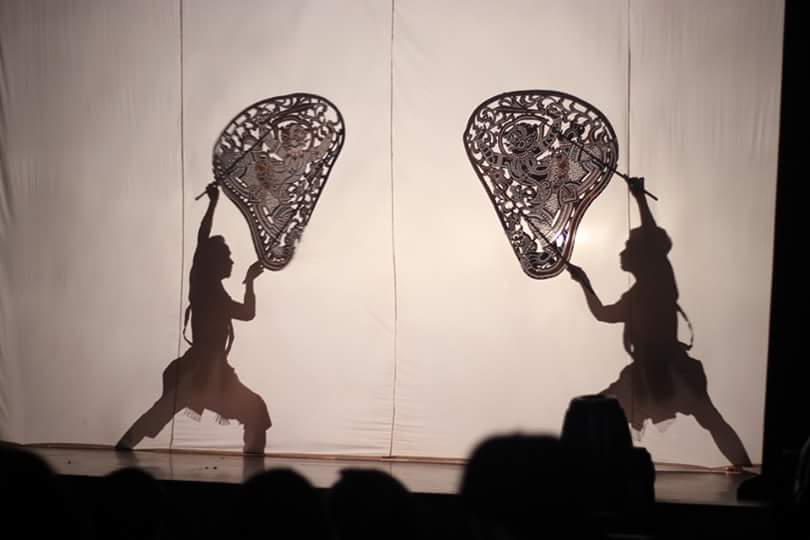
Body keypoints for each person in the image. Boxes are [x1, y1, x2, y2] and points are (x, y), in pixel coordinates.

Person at [566, 177, 751, 467]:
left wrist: (639, 198)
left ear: (642, 257)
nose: (621, 252)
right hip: (652, 372)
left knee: (710, 420)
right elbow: (603, 313)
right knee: (710, 420)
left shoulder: (659, 281)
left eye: (628, 247)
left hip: (669, 370)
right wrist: (584, 281)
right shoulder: (640, 293)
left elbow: (652, 241)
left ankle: (746, 467)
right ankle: (745, 467)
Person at [116, 183, 271, 454]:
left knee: (255, 410)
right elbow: (202, 241)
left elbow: (248, 314)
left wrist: (249, 282)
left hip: (214, 371)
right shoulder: (202, 284)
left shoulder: (217, 293)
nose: (232, 262)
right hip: (197, 371)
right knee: (162, 412)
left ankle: (253, 461)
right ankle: (124, 446)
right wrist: (213, 204)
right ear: (215, 262)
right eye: (228, 257)